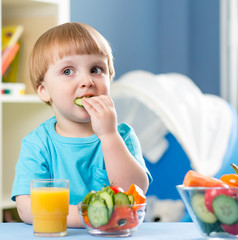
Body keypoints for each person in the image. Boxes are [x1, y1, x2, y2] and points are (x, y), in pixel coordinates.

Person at [11, 22, 152, 228]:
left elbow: (134, 192)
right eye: (68, 71)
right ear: (44, 90)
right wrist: (92, 217)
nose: (87, 81)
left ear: (110, 79)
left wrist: (108, 135)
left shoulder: (122, 136)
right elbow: (27, 208)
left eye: (96, 69)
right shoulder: (37, 144)